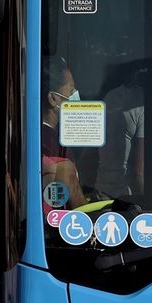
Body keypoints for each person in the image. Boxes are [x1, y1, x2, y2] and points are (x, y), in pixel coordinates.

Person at [95, 59, 152, 197]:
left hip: (104, 193)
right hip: (130, 201)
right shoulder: (148, 104)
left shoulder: (112, 96)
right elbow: (142, 172)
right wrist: (151, 212)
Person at [41, 56, 87, 208]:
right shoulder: (52, 144)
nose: (76, 96)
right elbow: (78, 209)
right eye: (71, 90)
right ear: (53, 99)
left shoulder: (39, 135)